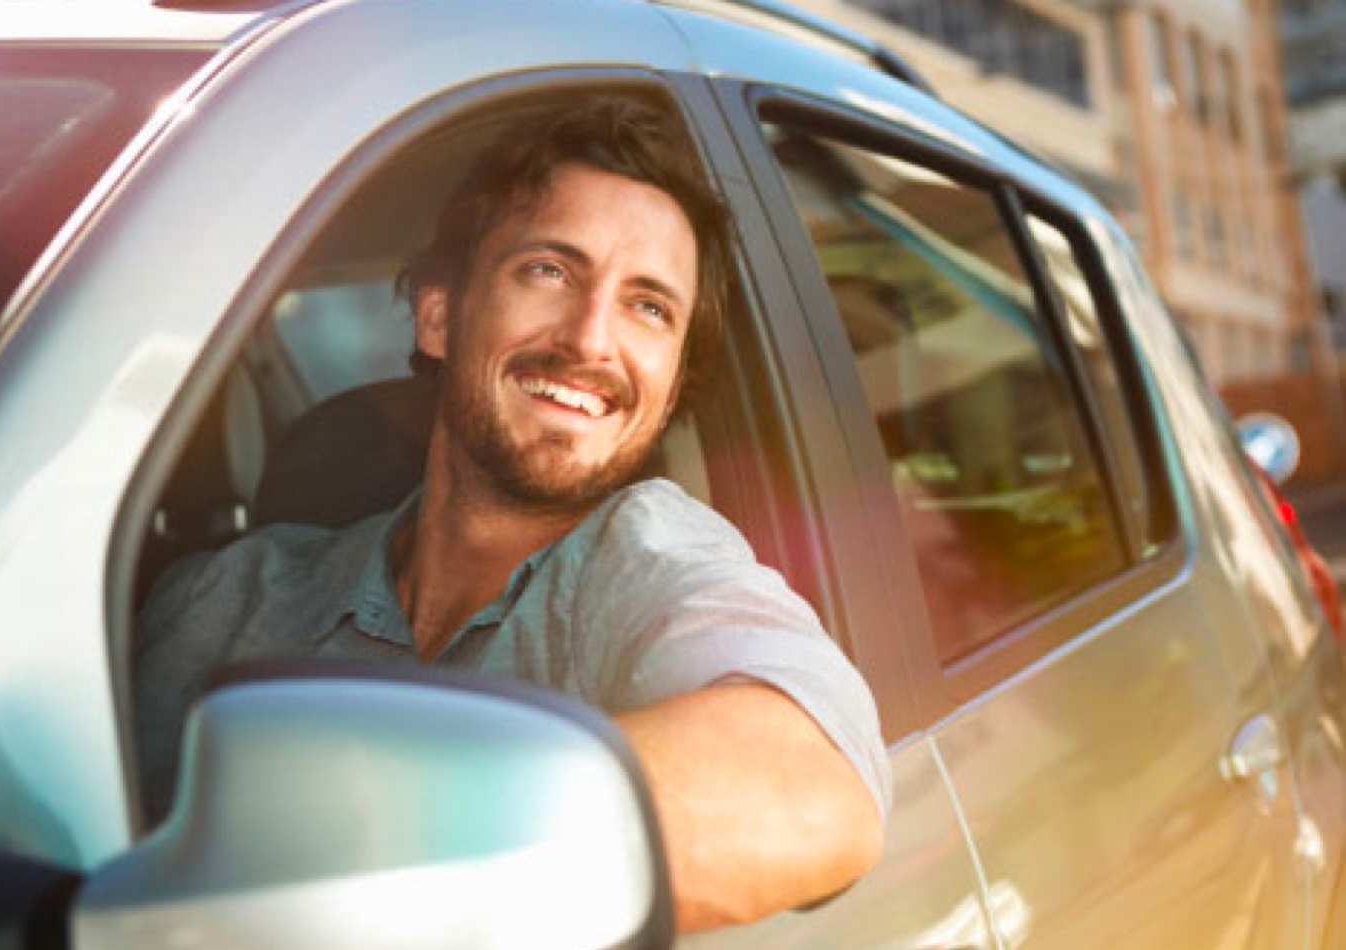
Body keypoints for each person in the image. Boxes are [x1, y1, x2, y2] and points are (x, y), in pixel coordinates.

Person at [135, 94, 889, 933]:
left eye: (649, 306)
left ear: (672, 383)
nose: (591, 340)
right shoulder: (229, 598)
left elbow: (810, 791)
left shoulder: (646, 564)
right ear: (440, 315)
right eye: (550, 271)